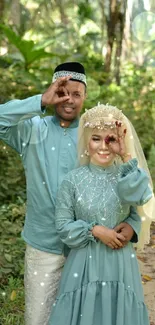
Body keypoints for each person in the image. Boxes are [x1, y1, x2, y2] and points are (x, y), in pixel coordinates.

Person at [0, 63, 140, 325]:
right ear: (54, 91)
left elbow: (121, 188)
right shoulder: (31, 130)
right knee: (38, 319)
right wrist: (41, 100)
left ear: (85, 97)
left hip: (92, 251)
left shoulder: (95, 136)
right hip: (44, 246)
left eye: (77, 94)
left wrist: (132, 224)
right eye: (63, 92)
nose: (69, 100)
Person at [48, 104, 154, 325]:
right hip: (84, 265)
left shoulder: (126, 175)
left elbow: (140, 201)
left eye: (110, 139)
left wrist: (132, 226)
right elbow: (63, 226)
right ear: (87, 141)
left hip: (120, 261)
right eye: (96, 138)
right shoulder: (73, 180)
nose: (103, 146)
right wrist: (94, 230)